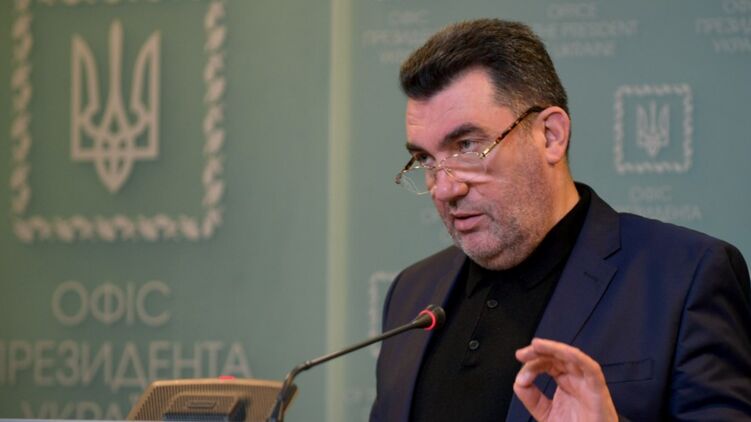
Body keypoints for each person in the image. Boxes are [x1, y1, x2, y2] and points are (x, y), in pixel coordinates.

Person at [370, 19, 751, 422]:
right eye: (426, 159)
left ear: (550, 135)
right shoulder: (411, 293)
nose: (444, 188)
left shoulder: (685, 277)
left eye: (467, 146)